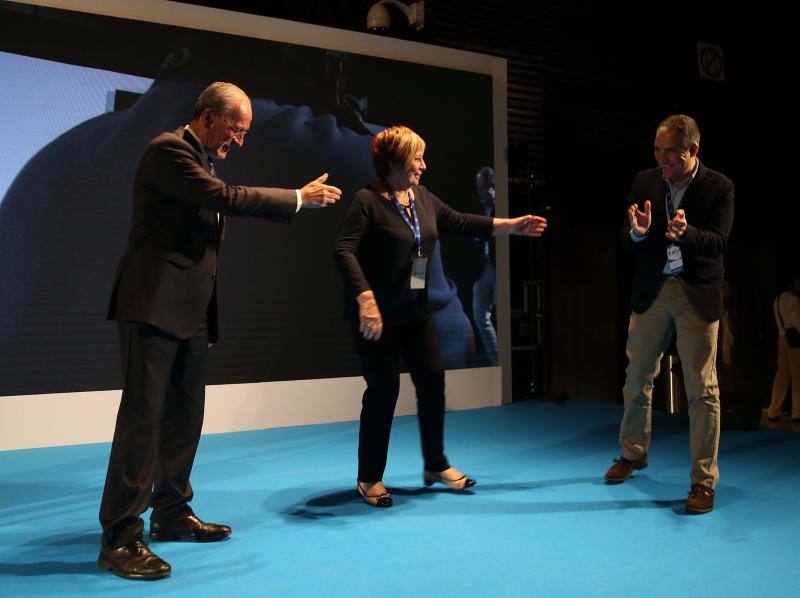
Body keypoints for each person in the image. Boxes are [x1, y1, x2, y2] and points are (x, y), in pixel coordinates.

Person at [98, 82, 341, 580]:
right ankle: (121, 538)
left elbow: (203, 247)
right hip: (151, 307)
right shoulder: (168, 151)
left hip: (187, 314)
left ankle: (171, 513)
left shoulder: (203, 161)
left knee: (185, 418)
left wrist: (206, 318)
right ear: (209, 117)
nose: (240, 140)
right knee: (142, 423)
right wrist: (296, 197)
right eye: (237, 128)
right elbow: (223, 198)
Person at [335, 126, 547, 508]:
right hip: (378, 318)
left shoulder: (421, 198)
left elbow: (461, 222)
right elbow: (343, 250)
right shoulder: (366, 201)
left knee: (432, 382)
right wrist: (365, 298)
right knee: (384, 393)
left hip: (416, 312)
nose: (423, 165)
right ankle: (369, 478)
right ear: (397, 161)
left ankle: (435, 464)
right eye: (417, 158)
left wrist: (511, 226)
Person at [604, 114, 734, 514]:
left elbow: (719, 242)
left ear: (692, 150)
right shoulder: (645, 181)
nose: (663, 160)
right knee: (637, 376)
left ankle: (702, 482)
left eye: (671, 153)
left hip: (696, 295)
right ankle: (633, 452)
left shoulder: (719, 187)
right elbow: (626, 238)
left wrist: (687, 233)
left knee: (702, 390)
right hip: (653, 291)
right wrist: (639, 233)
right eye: (658, 151)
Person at [765, 274, 800, 427]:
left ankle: (773, 410)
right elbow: (798, 323)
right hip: (794, 341)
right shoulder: (794, 301)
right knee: (797, 376)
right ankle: (797, 412)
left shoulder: (777, 300)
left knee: (782, 376)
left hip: (781, 339)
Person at [471, 166, 498, 365]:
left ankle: (502, 361)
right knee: (480, 314)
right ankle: (495, 359)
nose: (481, 192)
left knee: (500, 313)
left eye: (484, 188)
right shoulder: (475, 207)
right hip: (481, 268)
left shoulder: (503, 206)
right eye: (478, 188)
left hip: (500, 268)